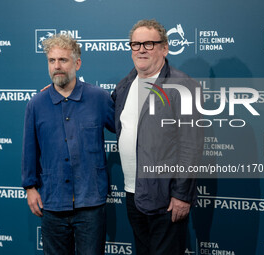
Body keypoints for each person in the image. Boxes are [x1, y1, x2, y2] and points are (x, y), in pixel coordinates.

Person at [112, 19, 204, 254]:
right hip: (133, 193)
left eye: (149, 44)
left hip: (166, 198)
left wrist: (182, 195)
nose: (141, 49)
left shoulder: (183, 85)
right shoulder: (125, 85)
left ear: (165, 48)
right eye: (135, 44)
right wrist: (63, 91)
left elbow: (191, 145)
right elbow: (103, 116)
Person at [21, 34, 115, 255]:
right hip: (52, 201)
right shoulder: (36, 104)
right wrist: (30, 187)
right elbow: (29, 150)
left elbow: (127, 129)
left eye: (63, 60)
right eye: (52, 61)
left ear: (77, 63)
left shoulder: (99, 98)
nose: (57, 66)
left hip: (90, 201)